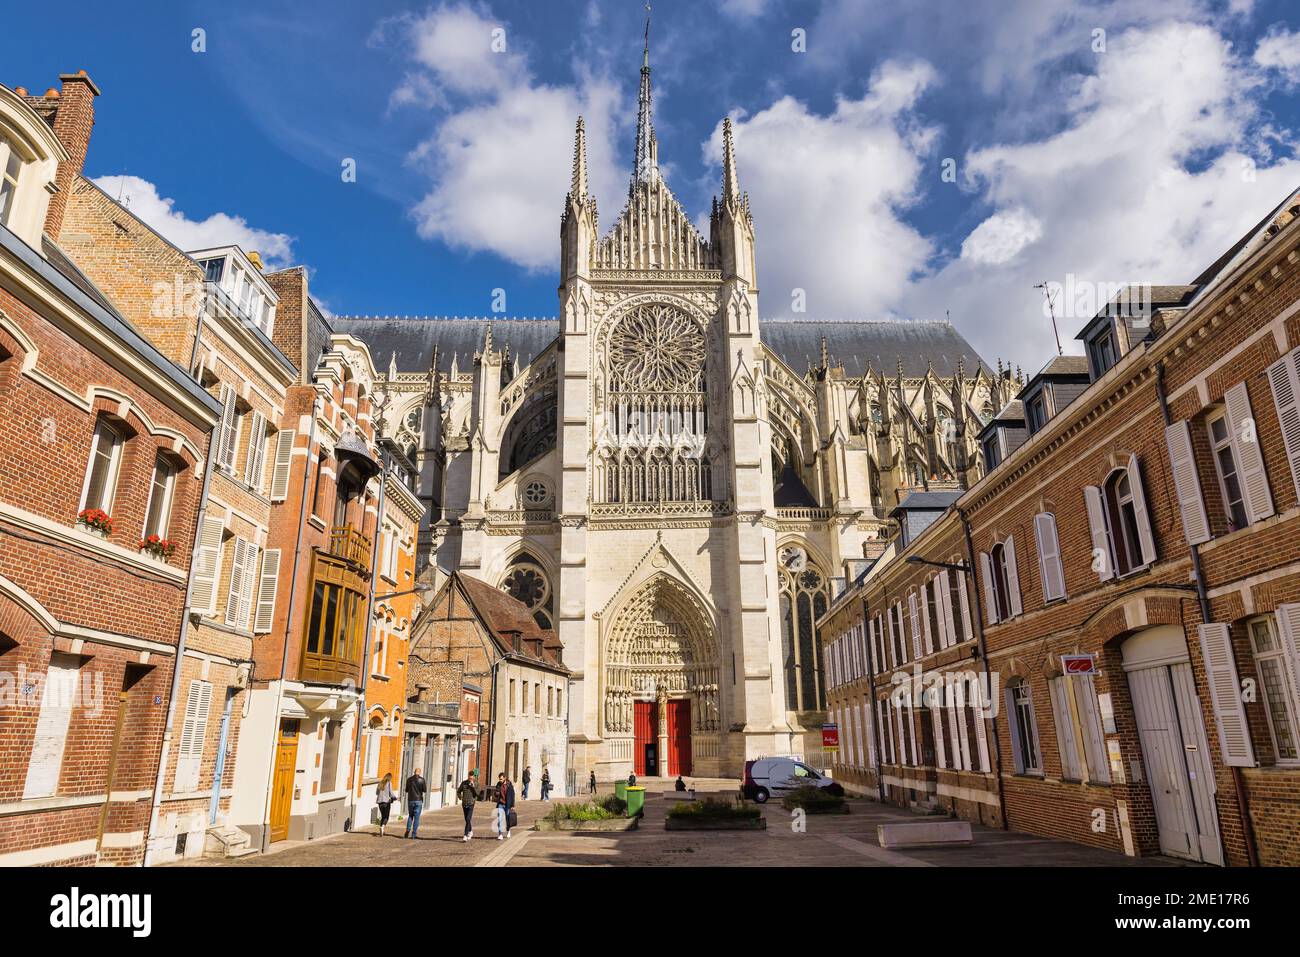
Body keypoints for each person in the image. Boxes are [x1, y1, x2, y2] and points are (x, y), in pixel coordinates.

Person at [456, 768, 479, 842]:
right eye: (469, 778)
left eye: (472, 778)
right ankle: (470, 831)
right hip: (464, 803)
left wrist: (473, 787)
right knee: (467, 820)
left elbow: (477, 794)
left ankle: (465, 835)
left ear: (474, 777)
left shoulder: (476, 783)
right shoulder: (464, 783)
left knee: (468, 819)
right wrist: (460, 797)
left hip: (471, 803)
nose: (470, 779)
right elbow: (458, 791)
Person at [404, 768, 427, 839]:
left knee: (410, 816)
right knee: (416, 818)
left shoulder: (409, 779)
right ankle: (413, 834)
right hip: (418, 800)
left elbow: (406, 790)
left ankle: (407, 830)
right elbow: (425, 790)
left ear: (414, 772)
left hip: (410, 800)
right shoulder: (422, 780)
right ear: (419, 772)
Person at [495, 772, 516, 840]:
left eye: (501, 779)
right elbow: (496, 793)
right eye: (499, 779)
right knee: (500, 819)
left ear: (504, 778)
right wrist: (496, 793)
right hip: (501, 803)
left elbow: (512, 795)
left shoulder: (509, 785)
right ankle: (500, 834)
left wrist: (512, 805)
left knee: (507, 818)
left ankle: (508, 830)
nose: (500, 780)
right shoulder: (498, 784)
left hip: (507, 804)